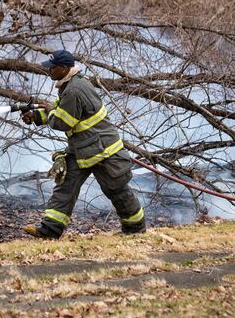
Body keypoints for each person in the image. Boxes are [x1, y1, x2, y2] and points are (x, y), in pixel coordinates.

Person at [21, 49, 146, 239]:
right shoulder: (70, 84)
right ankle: (50, 230)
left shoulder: (74, 90)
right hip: (83, 148)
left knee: (117, 190)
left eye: (52, 68)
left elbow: (63, 121)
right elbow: (61, 112)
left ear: (63, 68)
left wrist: (49, 113)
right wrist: (37, 115)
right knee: (65, 186)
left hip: (102, 151)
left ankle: (135, 229)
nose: (49, 71)